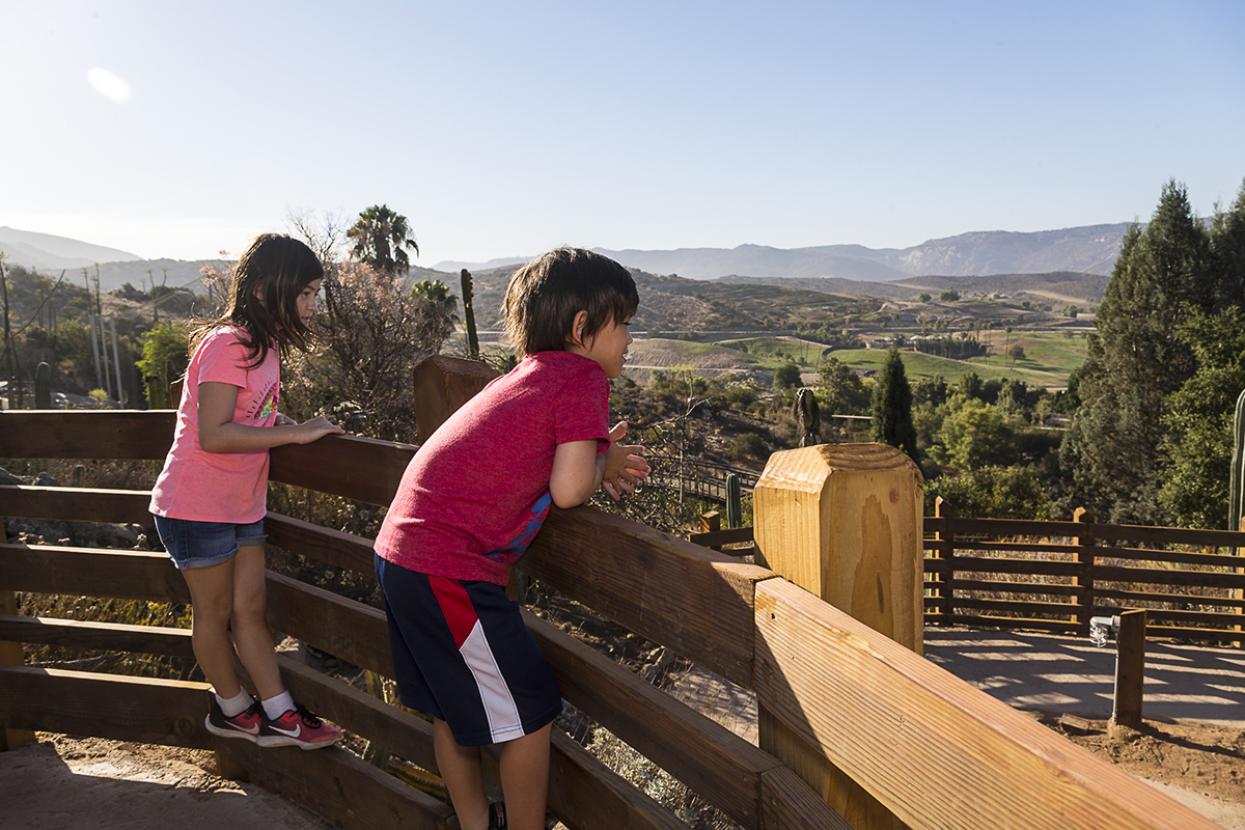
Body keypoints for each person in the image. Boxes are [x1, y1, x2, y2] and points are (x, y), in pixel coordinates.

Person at [374, 247, 651, 830]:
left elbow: (535, 459)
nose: (629, 336)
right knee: (528, 712)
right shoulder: (581, 377)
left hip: (404, 554)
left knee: (453, 710)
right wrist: (600, 463)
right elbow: (571, 487)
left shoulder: (526, 376)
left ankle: (479, 822)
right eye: (623, 322)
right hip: (449, 568)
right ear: (582, 328)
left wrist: (599, 452)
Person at [149, 233, 344, 749]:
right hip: (195, 506)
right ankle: (233, 709)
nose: (311, 304)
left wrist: (285, 422)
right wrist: (294, 434)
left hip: (240, 503)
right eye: (304, 293)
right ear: (263, 290)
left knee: (250, 611)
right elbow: (213, 434)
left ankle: (281, 715)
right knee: (213, 616)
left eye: (315, 293)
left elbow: (247, 416)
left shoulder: (265, 347)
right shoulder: (226, 344)